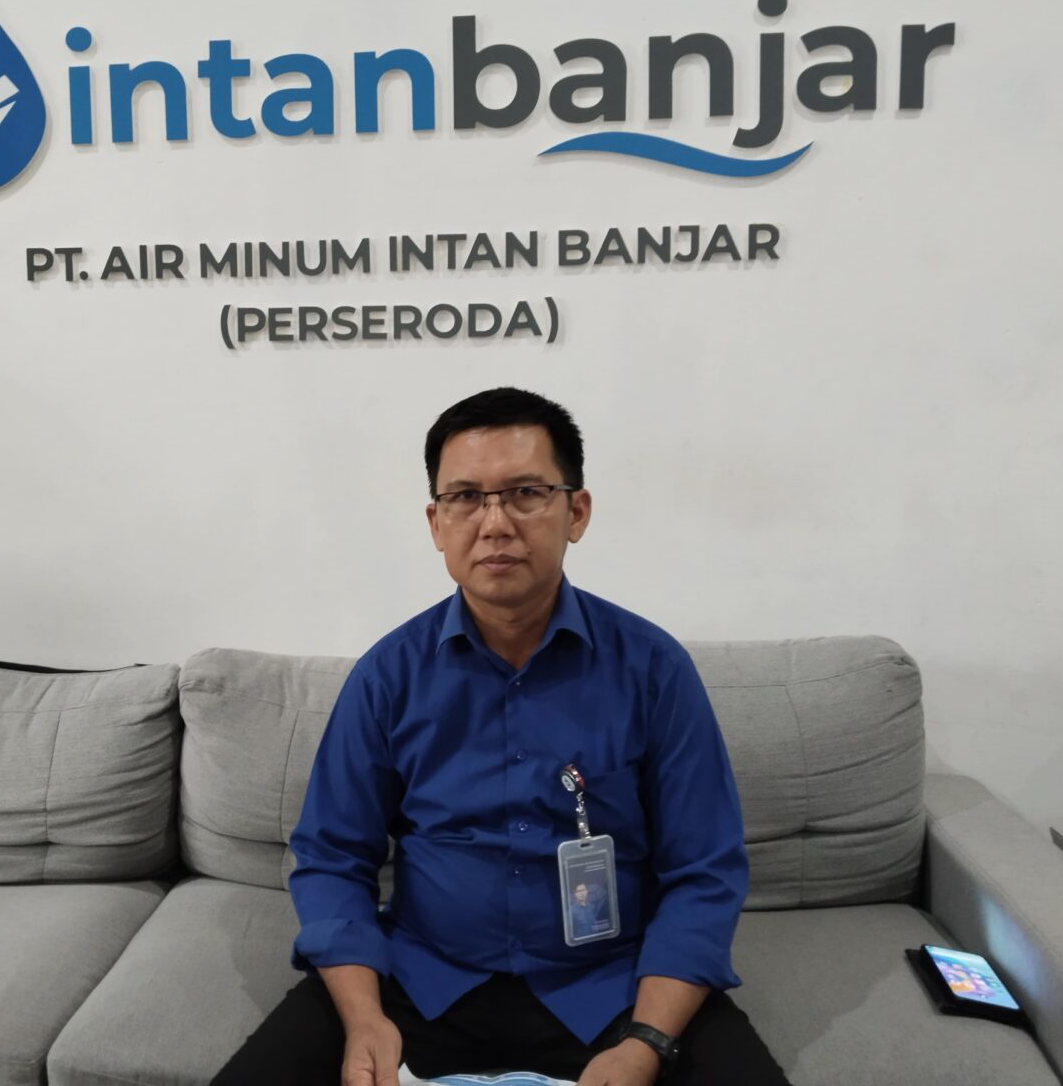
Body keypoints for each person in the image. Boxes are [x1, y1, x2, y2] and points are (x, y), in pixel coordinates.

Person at [211, 387, 790, 1086]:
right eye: (465, 498)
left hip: (611, 989)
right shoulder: (388, 675)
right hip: (422, 983)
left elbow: (704, 872)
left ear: (577, 512)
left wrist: (645, 1042)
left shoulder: (654, 670)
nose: (494, 524)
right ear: (436, 523)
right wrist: (364, 1019)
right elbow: (332, 858)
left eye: (525, 493)